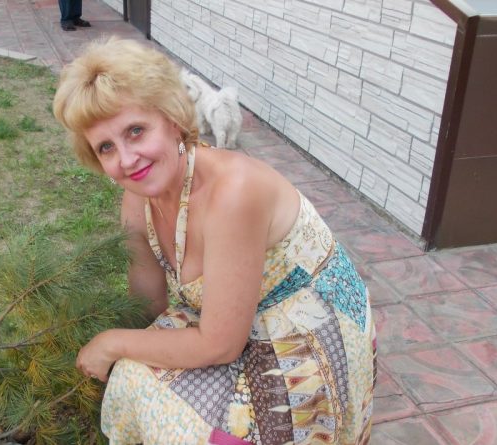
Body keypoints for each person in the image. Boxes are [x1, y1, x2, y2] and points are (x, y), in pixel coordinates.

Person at [53, 37, 377, 445]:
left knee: (192, 419)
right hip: (228, 320)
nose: (127, 159)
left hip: (306, 331)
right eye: (106, 148)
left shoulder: (233, 193)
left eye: (136, 131)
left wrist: (110, 343)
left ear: (172, 119)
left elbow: (220, 344)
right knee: (134, 375)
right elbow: (146, 305)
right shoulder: (138, 198)